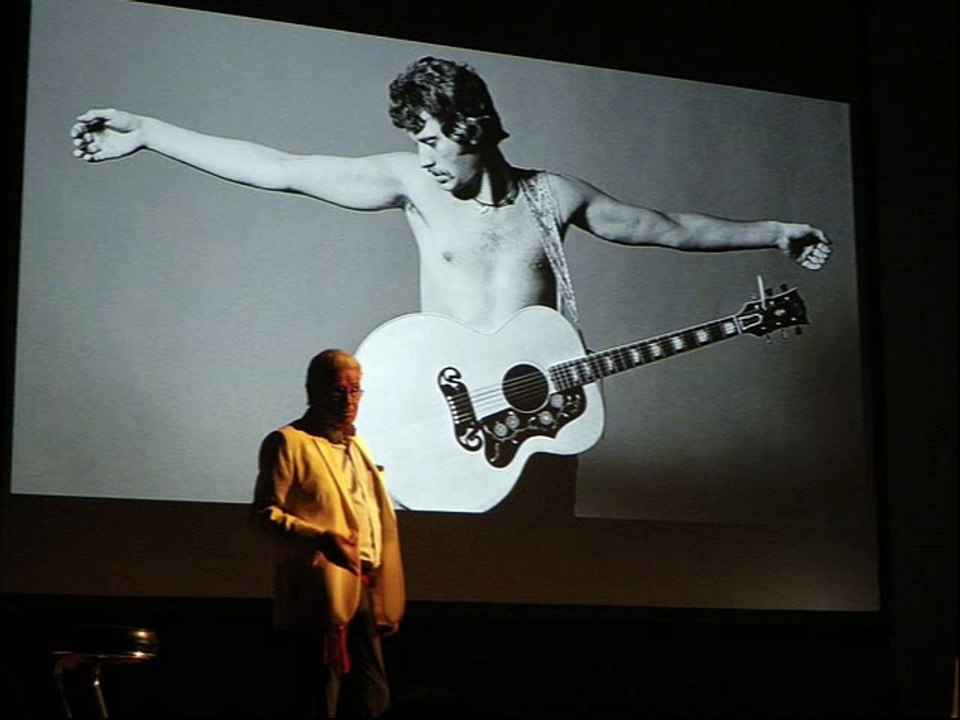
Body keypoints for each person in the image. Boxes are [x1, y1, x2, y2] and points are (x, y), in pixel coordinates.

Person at [71, 56, 831, 338]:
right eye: (416, 141)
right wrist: (148, 131)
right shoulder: (411, 185)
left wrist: (776, 230)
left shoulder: (553, 196)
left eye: (432, 139)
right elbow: (280, 167)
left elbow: (667, 229)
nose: (423, 155)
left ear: (472, 127)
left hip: (536, 416)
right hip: (445, 410)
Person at [252, 349, 404, 718]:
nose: (348, 401)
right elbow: (263, 515)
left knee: (373, 699)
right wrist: (319, 538)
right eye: (338, 391)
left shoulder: (359, 446)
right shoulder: (289, 442)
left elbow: (376, 521)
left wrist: (386, 595)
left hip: (366, 590)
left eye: (355, 391)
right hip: (320, 595)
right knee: (321, 698)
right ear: (314, 391)